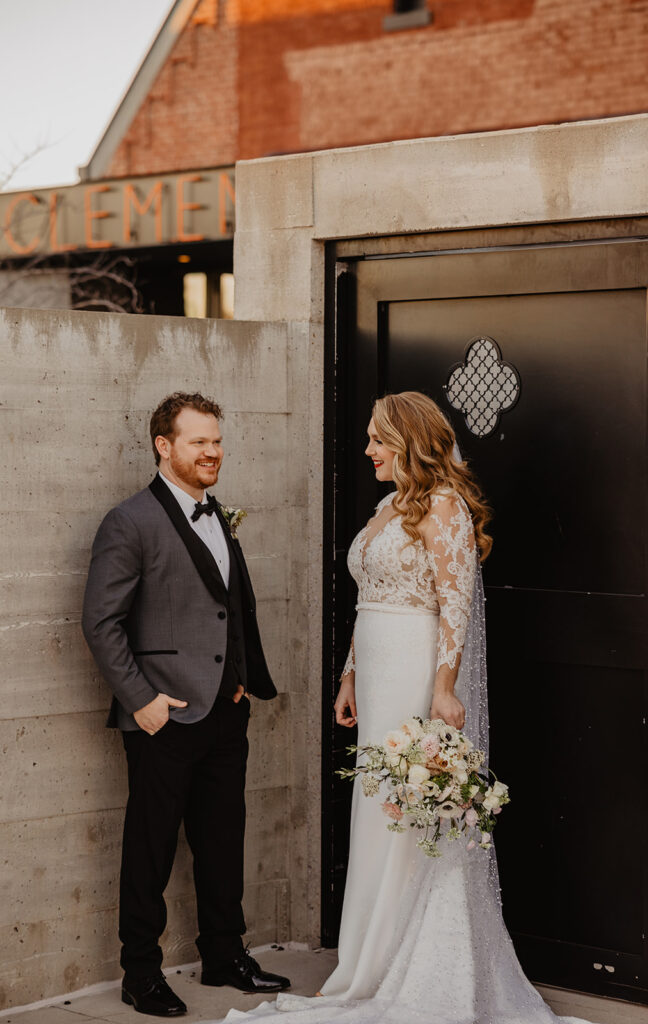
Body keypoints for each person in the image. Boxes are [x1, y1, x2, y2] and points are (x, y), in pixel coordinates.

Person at [221, 392, 592, 1024]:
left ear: (411, 442)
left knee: (412, 813)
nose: (367, 450)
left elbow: (456, 606)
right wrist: (349, 677)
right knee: (376, 812)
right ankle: (367, 962)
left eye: (377, 440)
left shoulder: (442, 507)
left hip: (419, 674)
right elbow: (368, 602)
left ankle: (406, 966)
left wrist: (444, 688)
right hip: (378, 670)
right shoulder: (390, 503)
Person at [82, 392, 290, 1018]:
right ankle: (140, 974)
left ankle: (225, 956)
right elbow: (101, 622)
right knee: (149, 848)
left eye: (217, 440)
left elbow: (228, 607)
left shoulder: (217, 513)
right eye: (198, 441)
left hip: (226, 711)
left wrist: (244, 683)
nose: (212, 452)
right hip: (164, 716)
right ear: (163, 446)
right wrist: (142, 701)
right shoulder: (129, 521)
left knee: (223, 840)